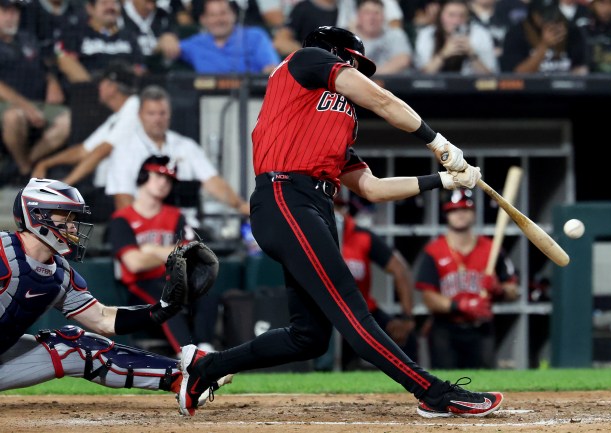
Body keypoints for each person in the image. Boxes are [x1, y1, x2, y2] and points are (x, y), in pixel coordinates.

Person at [175, 25, 503, 419]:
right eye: (353, 62)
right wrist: (437, 142)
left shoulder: (328, 119)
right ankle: (433, 393)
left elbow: (372, 188)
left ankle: (205, 369)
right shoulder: (305, 60)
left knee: (308, 337)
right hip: (286, 196)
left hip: (313, 204)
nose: (358, 72)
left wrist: (445, 180)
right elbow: (381, 100)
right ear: (334, 52)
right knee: (352, 311)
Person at [0, 177, 226, 399]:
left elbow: (103, 319)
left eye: (73, 218)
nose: (72, 226)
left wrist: (160, 309)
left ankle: (183, 377)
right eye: (65, 216)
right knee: (71, 348)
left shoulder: (60, 274)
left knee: (79, 345)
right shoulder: (3, 249)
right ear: (38, 215)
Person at [108, 155, 218, 356]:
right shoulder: (122, 219)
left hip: (173, 276)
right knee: (169, 296)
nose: (163, 183)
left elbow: (191, 253)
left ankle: (206, 347)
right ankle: (188, 354)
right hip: (140, 285)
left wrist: (151, 249)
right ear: (144, 176)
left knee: (205, 288)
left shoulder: (175, 215)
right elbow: (134, 264)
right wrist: (171, 253)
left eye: (168, 180)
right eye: (158, 176)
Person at [105, 85, 250, 224]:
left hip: (186, 226)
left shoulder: (186, 146)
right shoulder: (124, 150)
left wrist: (242, 206)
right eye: (151, 114)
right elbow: (123, 199)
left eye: (162, 113)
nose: (157, 119)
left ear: (169, 114)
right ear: (140, 115)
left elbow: (212, 181)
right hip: (145, 227)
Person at [415, 188, 520, 369]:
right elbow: (428, 298)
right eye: (454, 210)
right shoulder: (434, 250)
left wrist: (499, 289)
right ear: (446, 214)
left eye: (464, 209)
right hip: (445, 328)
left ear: (474, 212)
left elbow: (513, 291)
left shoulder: (491, 249)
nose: (460, 214)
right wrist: (461, 306)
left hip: (481, 328)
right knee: (445, 386)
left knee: (484, 386)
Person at [32, 60, 139, 197]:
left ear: (112, 87)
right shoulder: (117, 116)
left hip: (122, 192)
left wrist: (65, 185)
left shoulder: (135, 108)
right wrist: (46, 163)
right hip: (106, 190)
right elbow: (83, 150)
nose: (98, 87)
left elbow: (101, 151)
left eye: (102, 83)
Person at [335, 195, 417, 369]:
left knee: (405, 337)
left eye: (340, 208)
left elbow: (400, 271)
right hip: (327, 313)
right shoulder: (313, 236)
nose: (337, 213)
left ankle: (410, 389)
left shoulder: (361, 235)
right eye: (332, 208)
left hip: (360, 311)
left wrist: (407, 317)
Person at [0, 0, 70, 181]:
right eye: (5, 12)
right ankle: (24, 169)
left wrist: (52, 82)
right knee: (14, 117)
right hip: (7, 105)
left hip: (38, 102)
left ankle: (23, 166)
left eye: (14, 12)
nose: (11, 17)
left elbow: (44, 66)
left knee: (68, 121)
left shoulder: (27, 38)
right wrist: (26, 107)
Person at [158, 0, 280, 74]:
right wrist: (166, 38)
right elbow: (166, 48)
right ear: (203, 20)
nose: (219, 20)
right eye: (212, 15)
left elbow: (272, 69)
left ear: (234, 15)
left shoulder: (256, 37)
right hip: (208, 105)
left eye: (223, 13)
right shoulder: (196, 43)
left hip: (251, 101)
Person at [55, 0, 143, 84]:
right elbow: (62, 58)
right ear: (90, 8)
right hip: (88, 90)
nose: (110, 7)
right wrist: (91, 87)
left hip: (124, 91)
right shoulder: (75, 33)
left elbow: (140, 66)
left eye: (115, 3)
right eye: (104, 3)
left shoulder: (130, 36)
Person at [500, 0, 588, 74]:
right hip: (531, 91)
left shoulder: (570, 30)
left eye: (552, 12)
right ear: (533, 14)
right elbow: (517, 75)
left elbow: (580, 68)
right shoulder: (517, 33)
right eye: (543, 14)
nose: (548, 18)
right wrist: (544, 45)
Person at [414, 0, 498, 74]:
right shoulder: (427, 35)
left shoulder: (480, 35)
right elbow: (421, 77)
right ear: (441, 16)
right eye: (451, 15)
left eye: (462, 16)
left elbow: (490, 78)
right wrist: (443, 54)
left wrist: (472, 55)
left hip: (469, 89)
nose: (456, 21)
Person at [353, 0, 413, 75]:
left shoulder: (396, 35)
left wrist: (374, 76)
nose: (372, 18)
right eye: (367, 13)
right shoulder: (348, 39)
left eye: (376, 13)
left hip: (391, 84)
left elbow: (403, 60)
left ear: (383, 17)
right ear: (359, 16)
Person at [577, 0, 611, 74]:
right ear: (592, 5)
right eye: (602, 3)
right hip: (588, 82)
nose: (607, 9)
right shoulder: (580, 31)